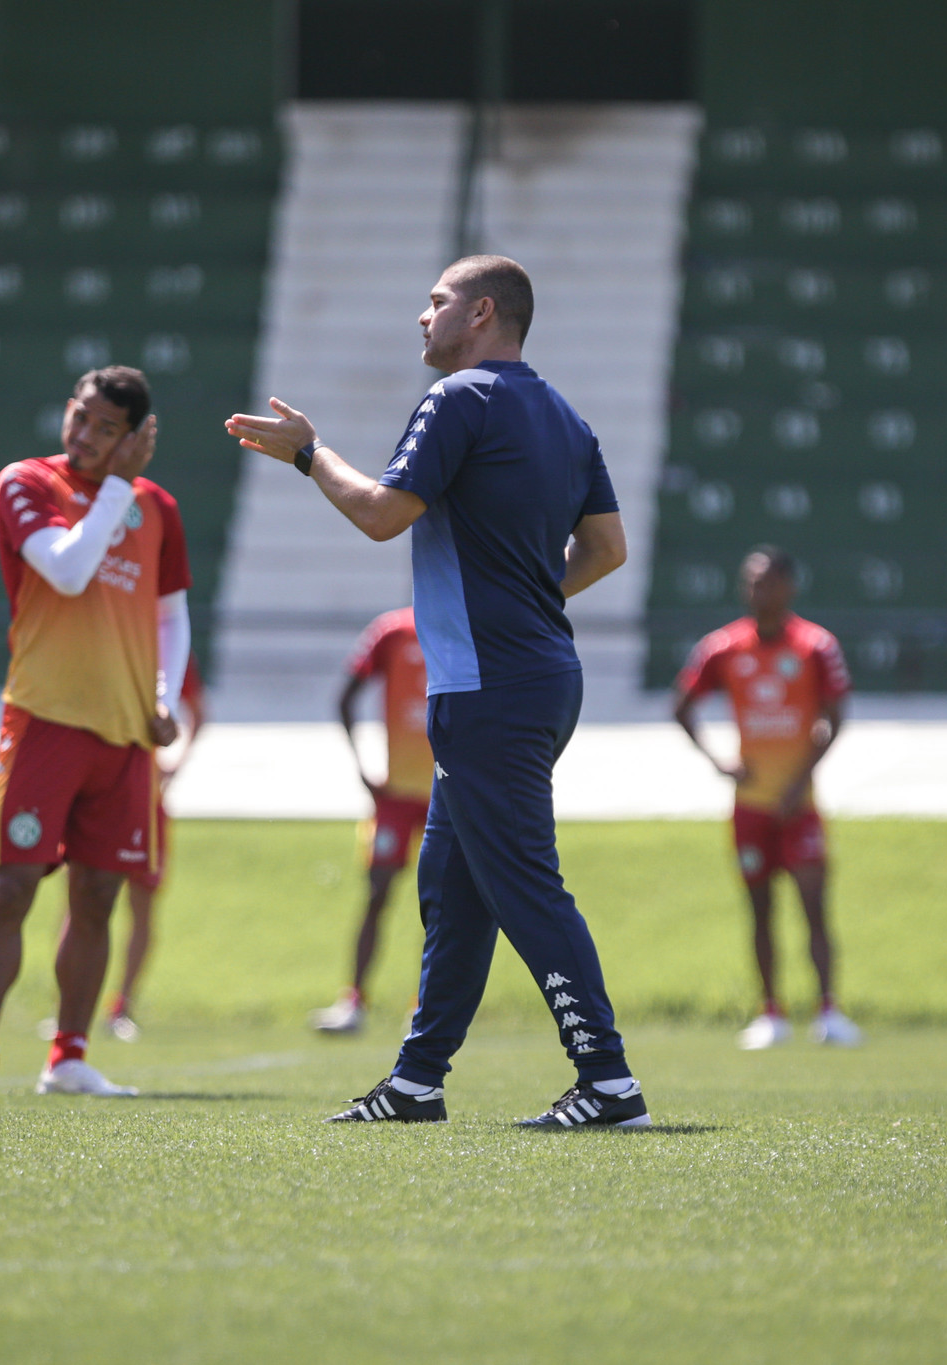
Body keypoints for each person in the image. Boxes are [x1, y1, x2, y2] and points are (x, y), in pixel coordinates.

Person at [227, 254, 648, 1128]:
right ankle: (417, 1080)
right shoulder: (566, 416)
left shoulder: (459, 399)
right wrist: (528, 596)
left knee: (524, 882)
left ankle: (608, 1081)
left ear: (482, 311)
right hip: (539, 677)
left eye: (437, 300)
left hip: (490, 687)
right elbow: (608, 549)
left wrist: (309, 452)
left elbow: (382, 514)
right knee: (452, 885)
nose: (423, 316)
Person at [0, 365, 189, 1097]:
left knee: (99, 895)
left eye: (105, 428)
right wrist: (118, 486)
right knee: (11, 887)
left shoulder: (157, 508)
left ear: (135, 437)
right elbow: (69, 570)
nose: (83, 435)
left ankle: (70, 1057)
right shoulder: (26, 482)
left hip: (126, 732)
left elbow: (172, 613)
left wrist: (166, 696)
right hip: (45, 718)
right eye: (79, 416)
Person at [674, 548, 862, 1050]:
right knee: (760, 910)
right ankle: (771, 1013)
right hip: (751, 807)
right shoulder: (722, 647)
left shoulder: (816, 646)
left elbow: (837, 716)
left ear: (790, 587)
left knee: (814, 908)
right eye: (752, 582)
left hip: (799, 807)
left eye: (769, 582)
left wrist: (802, 779)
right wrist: (719, 761)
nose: (759, 591)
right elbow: (682, 705)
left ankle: (829, 1011)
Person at [310, 607, 433, 1034]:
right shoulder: (393, 631)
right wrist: (362, 766)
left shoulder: (469, 624)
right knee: (378, 891)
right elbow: (346, 696)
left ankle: (426, 1007)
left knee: (441, 902)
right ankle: (354, 1001)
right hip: (395, 794)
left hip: (448, 794)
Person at [104, 654, 206, 1043]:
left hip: (146, 803)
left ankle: (122, 1005)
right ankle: (71, 1007)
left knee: (142, 904)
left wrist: (174, 765)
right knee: (82, 899)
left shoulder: (168, 648)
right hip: (101, 795)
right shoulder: (105, 642)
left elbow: (198, 711)